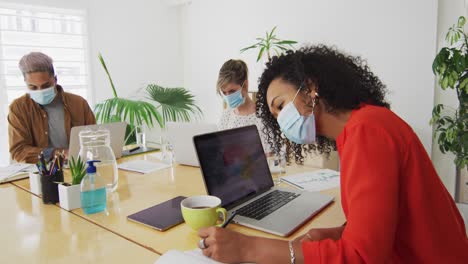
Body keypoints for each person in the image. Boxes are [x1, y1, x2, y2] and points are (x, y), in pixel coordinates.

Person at [197, 46, 468, 263]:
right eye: (276, 115)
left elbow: (361, 257)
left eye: (281, 105)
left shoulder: (367, 133)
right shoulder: (362, 127)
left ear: (311, 88)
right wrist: (338, 234)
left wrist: (248, 248)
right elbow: (382, 223)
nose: (282, 121)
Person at [8, 52, 95, 163]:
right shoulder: (18, 108)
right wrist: (56, 153)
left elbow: (94, 138)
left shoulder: (79, 103)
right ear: (25, 83)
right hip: (41, 172)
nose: (40, 91)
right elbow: (19, 151)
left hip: (78, 167)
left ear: (55, 79)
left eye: (46, 86)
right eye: (33, 87)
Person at [217, 59, 270, 153]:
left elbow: (273, 157)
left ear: (245, 85)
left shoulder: (263, 117)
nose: (228, 97)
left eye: (232, 91)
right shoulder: (226, 115)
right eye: (224, 92)